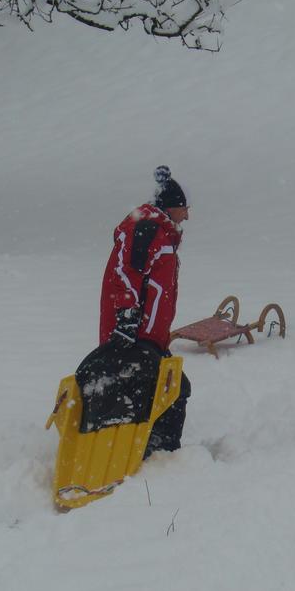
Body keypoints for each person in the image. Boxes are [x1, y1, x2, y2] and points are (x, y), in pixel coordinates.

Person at [78, 165, 191, 454]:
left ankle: (150, 447)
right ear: (170, 207)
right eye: (184, 208)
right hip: (131, 334)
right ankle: (149, 450)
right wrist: (127, 319)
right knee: (166, 387)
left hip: (148, 336)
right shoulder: (146, 229)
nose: (187, 215)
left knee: (169, 387)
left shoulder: (161, 235)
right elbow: (125, 272)